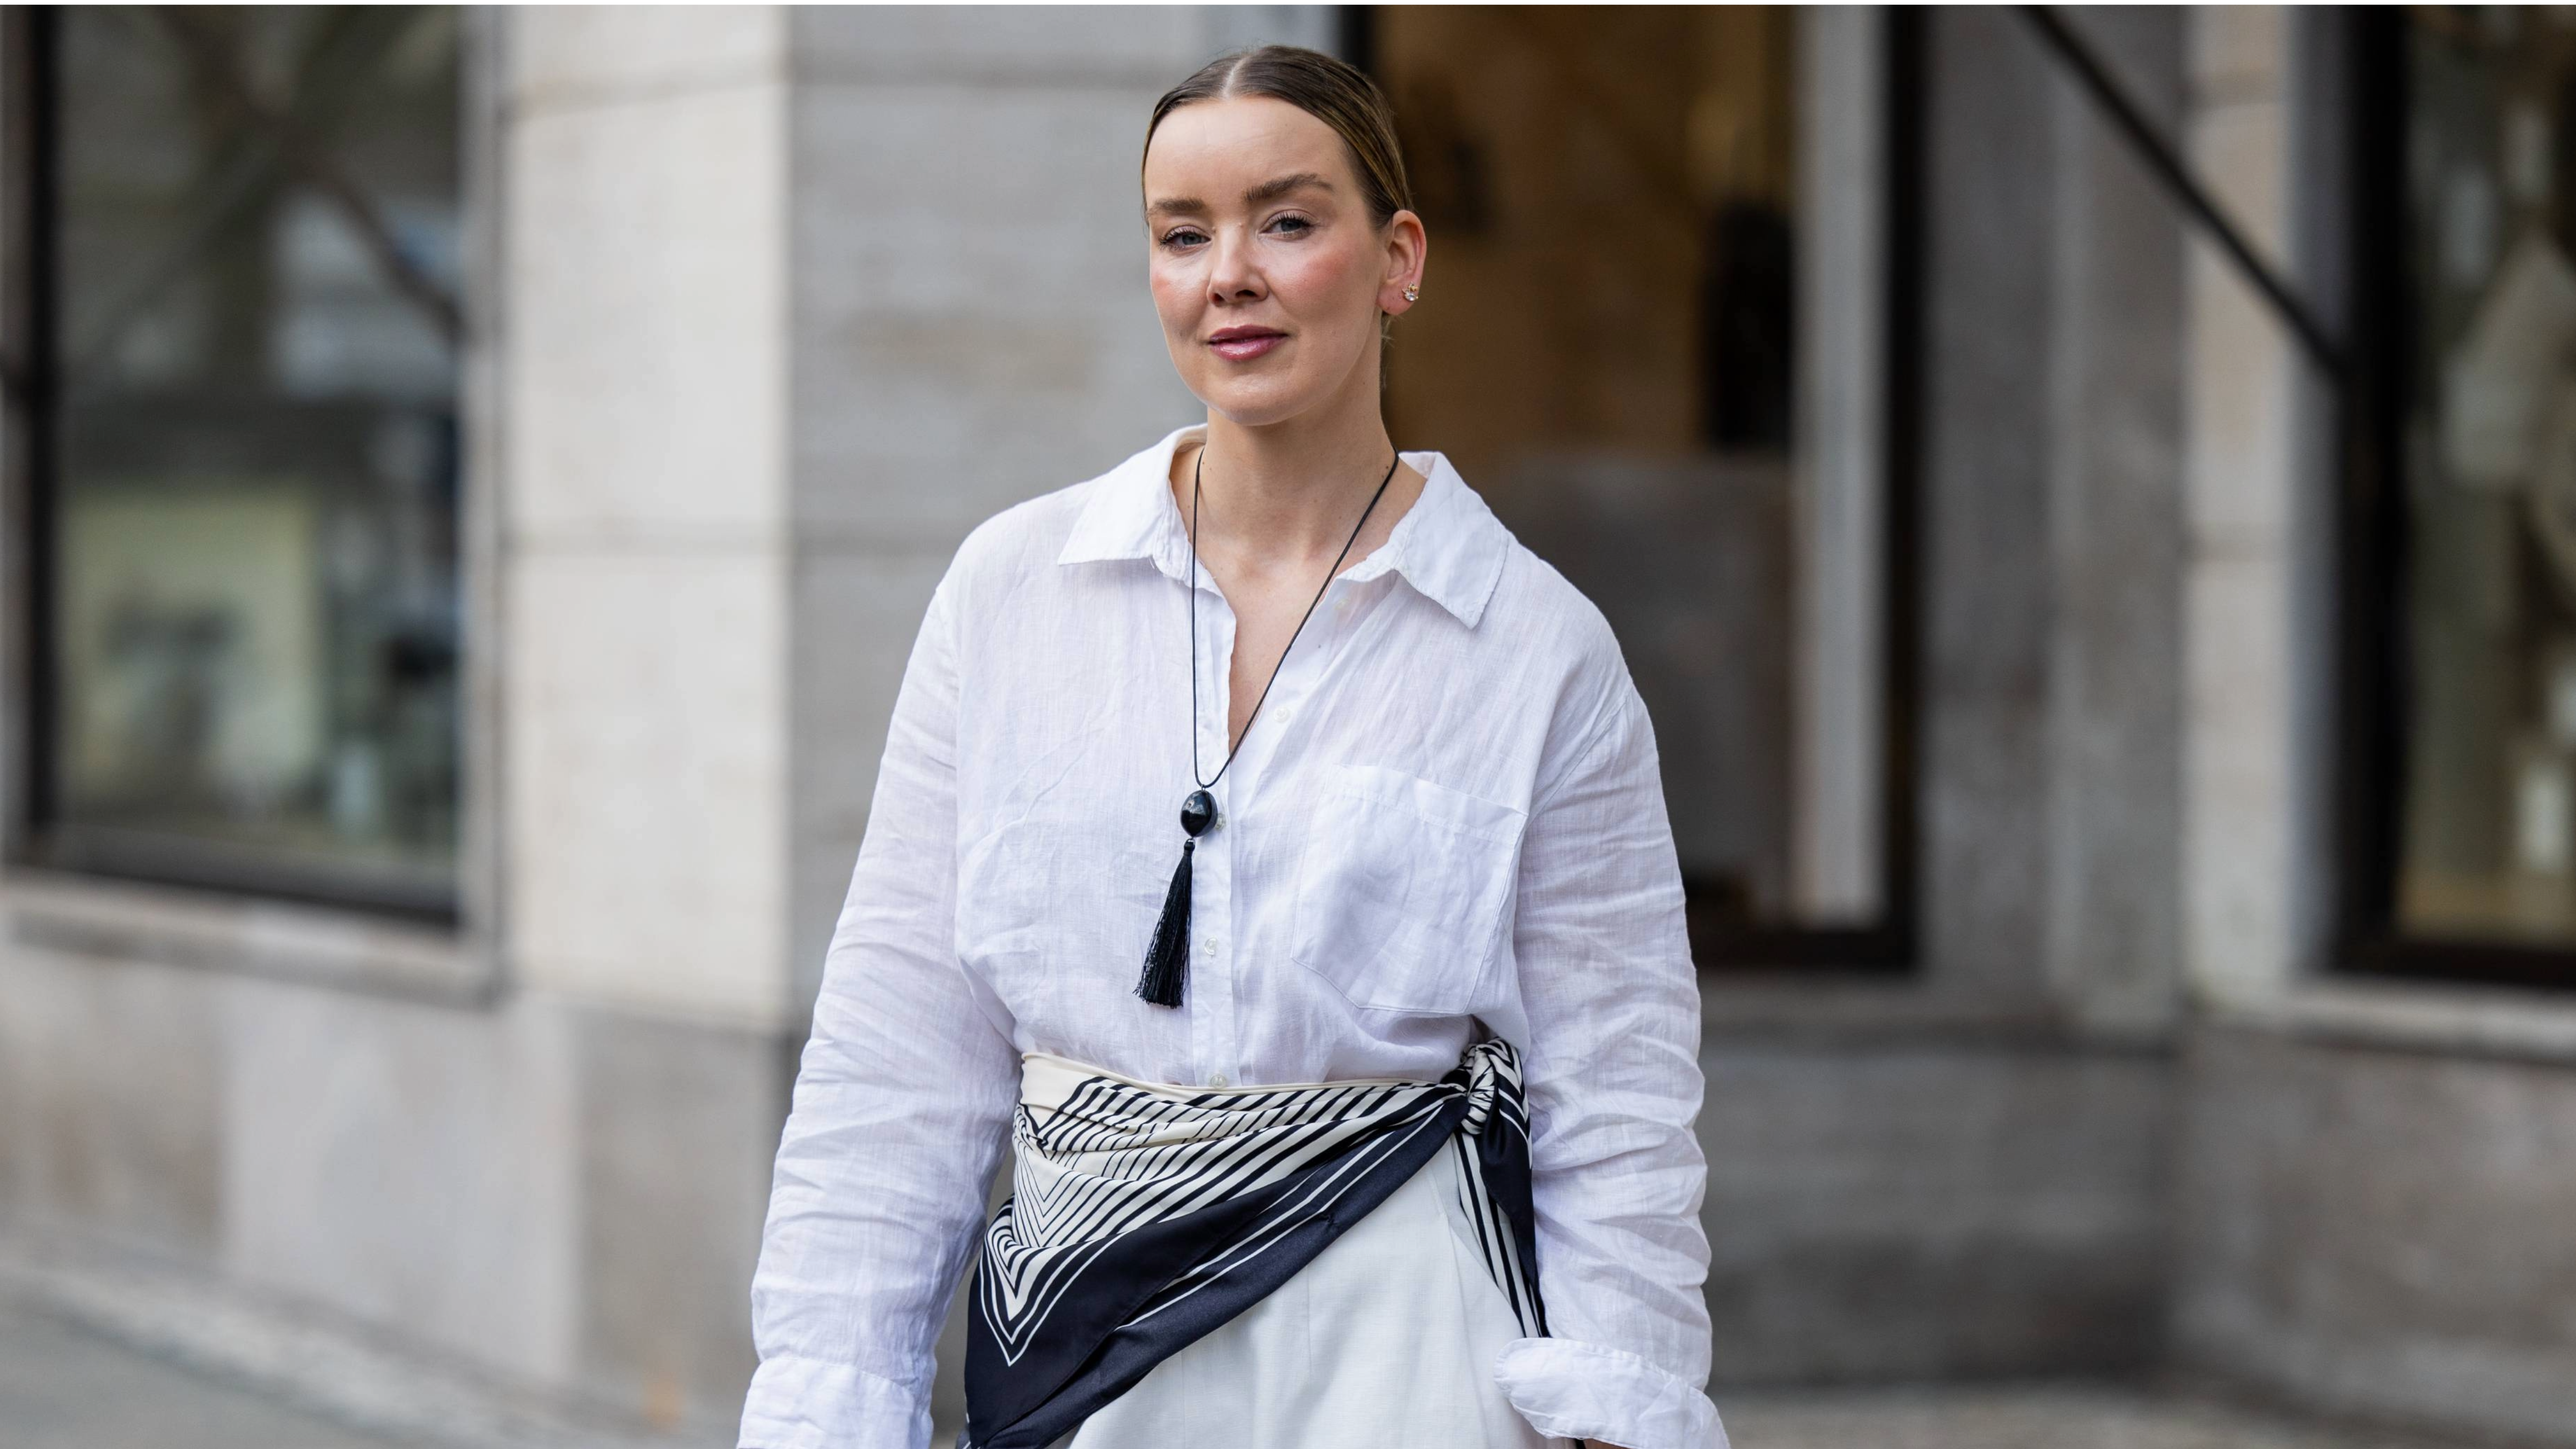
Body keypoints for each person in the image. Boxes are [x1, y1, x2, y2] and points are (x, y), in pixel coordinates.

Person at [738, 43, 1722, 1449]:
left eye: (1288, 220)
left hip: (1409, 1351)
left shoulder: (1536, 649)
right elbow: (901, 1049)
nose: (1229, 274)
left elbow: (1615, 1085)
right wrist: (833, 1397)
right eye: (1182, 233)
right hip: (1083, 1354)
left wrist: (1616, 1404)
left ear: (1399, 259)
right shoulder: (1013, 592)